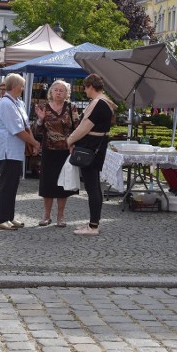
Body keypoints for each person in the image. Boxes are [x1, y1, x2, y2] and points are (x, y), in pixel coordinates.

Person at [66, 73, 116, 236]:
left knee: (92, 187)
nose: (85, 91)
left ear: (91, 87)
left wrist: (70, 140)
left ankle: (93, 225)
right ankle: (93, 222)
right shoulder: (106, 103)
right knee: (94, 186)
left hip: (90, 149)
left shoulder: (98, 103)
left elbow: (84, 127)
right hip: (96, 148)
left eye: (86, 88)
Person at [0, 74, 41, 231]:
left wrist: (33, 142)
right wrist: (34, 143)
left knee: (13, 184)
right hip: (8, 149)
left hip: (16, 150)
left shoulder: (18, 103)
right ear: (14, 86)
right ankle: (1, 218)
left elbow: (26, 126)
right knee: (7, 185)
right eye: (21, 86)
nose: (23, 88)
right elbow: (17, 130)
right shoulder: (6, 103)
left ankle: (9, 216)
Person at [34, 80, 79, 227]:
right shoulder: (44, 108)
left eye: (62, 90)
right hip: (49, 151)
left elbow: (78, 128)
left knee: (63, 185)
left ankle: (61, 215)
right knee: (47, 184)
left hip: (66, 151)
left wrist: (73, 144)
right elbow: (37, 131)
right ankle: (46, 215)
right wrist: (40, 120)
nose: (59, 92)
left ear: (67, 93)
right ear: (51, 92)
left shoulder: (71, 108)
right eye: (56, 90)